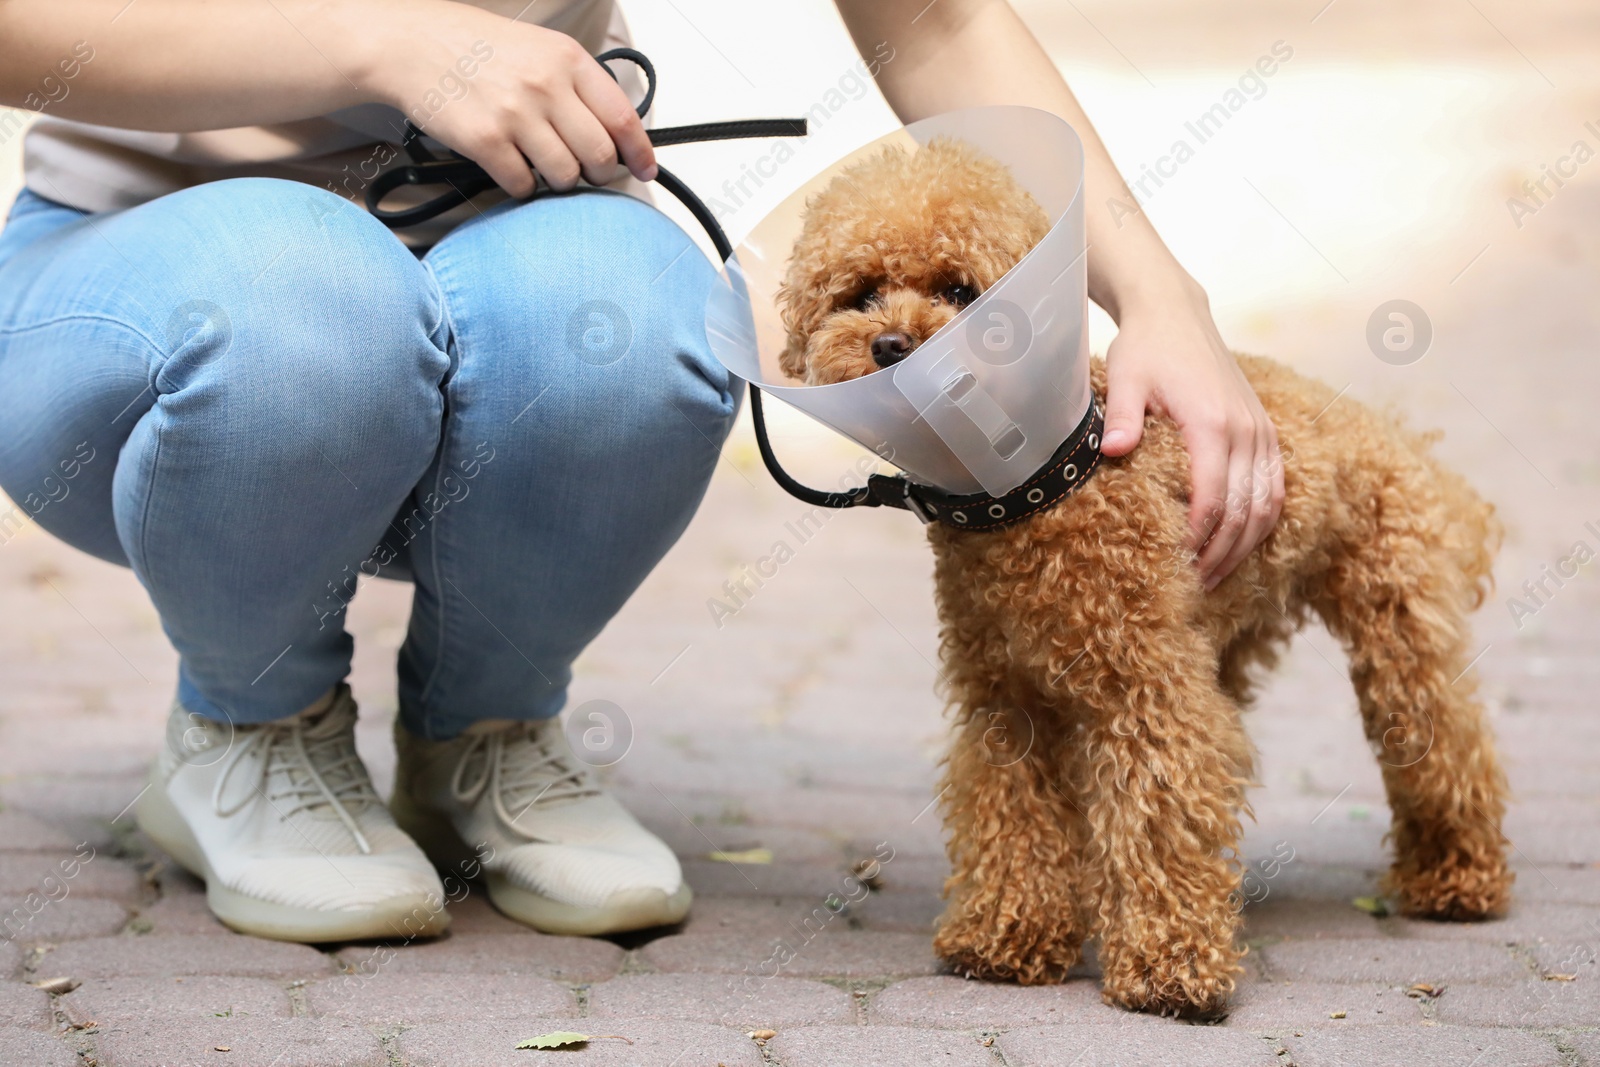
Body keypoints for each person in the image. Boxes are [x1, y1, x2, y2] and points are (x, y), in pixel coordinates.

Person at [0, 0, 1283, 942]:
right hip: (135, 290)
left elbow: (934, 17)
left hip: (497, 272)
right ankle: (249, 724)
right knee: (304, 291)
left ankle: (484, 733)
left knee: (648, 310)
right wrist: (391, 45)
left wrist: (1161, 299)